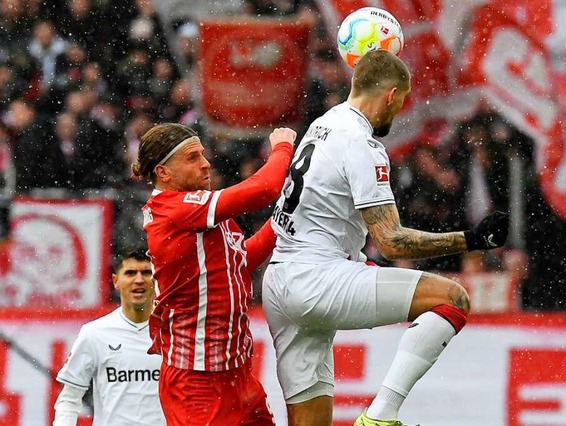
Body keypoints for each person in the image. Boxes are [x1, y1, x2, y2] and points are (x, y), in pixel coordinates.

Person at [262, 49, 509, 426]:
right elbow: (392, 242)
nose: (398, 112)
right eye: (402, 101)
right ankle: (380, 416)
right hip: (317, 280)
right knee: (452, 298)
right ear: (391, 95)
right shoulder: (363, 145)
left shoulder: (324, 123)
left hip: (279, 281)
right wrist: (473, 239)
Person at [131, 123, 295, 425]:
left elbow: (240, 263)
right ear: (163, 173)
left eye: (202, 155)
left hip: (237, 373)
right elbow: (265, 188)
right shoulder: (174, 209)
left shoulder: (199, 210)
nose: (206, 164)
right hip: (198, 383)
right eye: (192, 158)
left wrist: (285, 216)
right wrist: (283, 148)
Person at [53, 248, 163, 426]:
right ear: (116, 281)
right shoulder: (95, 333)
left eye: (146, 272)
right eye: (130, 273)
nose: (139, 280)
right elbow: (69, 398)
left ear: (156, 280)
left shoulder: (174, 332)